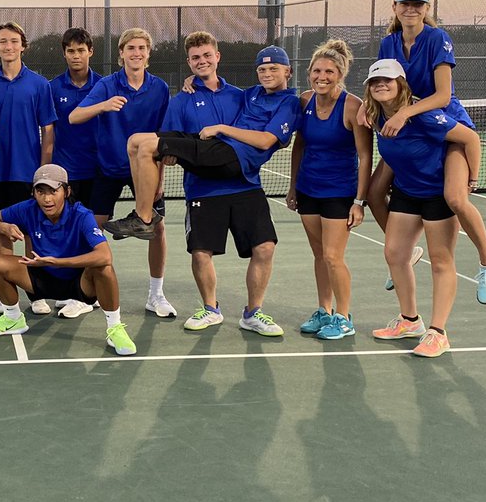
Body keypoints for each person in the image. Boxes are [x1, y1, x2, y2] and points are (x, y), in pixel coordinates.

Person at [116, 44, 301, 337]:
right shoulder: (248, 94)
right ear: (189, 63)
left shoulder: (279, 101)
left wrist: (222, 128)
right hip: (205, 181)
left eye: (274, 69)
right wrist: (193, 85)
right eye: (262, 69)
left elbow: (267, 140)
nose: (267, 74)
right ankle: (210, 308)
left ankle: (253, 313)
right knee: (139, 142)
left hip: (242, 177)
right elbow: (170, 148)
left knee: (264, 247)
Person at [364, 0, 486, 304]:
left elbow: (442, 96)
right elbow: (386, 79)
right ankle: (406, 252)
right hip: (411, 126)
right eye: (405, 3)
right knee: (373, 192)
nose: (411, 9)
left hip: (446, 126)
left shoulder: (438, 39)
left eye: (418, 4)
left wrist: (404, 114)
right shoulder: (389, 43)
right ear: (395, 8)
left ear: (426, 9)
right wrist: (369, 109)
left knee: (454, 197)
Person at [364, 59, 482, 357]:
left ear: (401, 84)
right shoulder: (376, 116)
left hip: (437, 195)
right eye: (375, 81)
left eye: (388, 80)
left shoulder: (425, 116)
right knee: (394, 253)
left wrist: (472, 179)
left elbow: (470, 138)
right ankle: (409, 321)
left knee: (441, 260)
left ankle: (438, 332)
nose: (381, 85)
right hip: (406, 191)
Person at [0, 164, 136, 356]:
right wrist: (4, 227)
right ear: (33, 193)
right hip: (40, 278)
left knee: (104, 268)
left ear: (66, 191)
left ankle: (115, 328)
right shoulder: (27, 209)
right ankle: (13, 318)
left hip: (78, 283)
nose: (47, 198)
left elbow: (104, 255)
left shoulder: (81, 215)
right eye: (40, 191)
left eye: (53, 191)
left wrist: (57, 262)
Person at [69, 27, 175, 318]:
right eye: (130, 48)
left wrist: (161, 177)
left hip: (146, 167)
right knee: (93, 228)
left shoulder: (160, 89)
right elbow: (74, 116)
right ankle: (86, 295)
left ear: (148, 54)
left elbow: (163, 136)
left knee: (158, 228)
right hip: (109, 167)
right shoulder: (107, 85)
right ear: (121, 55)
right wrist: (103, 105)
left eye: (141, 48)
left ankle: (156, 294)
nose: (136, 53)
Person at [285, 40, 374, 340]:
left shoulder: (353, 107)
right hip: (309, 189)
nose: (322, 76)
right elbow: (300, 145)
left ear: (341, 74)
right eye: (317, 71)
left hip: (339, 193)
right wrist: (293, 186)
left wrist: (359, 201)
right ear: (309, 72)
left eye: (330, 72)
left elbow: (365, 156)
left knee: (334, 256)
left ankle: (344, 316)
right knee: (320, 255)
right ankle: (324, 310)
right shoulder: (305, 100)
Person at [0, 21, 57, 314]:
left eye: (13, 41)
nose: (8, 46)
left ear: (23, 46)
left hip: (29, 172)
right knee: (4, 231)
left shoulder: (39, 84)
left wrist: (44, 170)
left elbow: (48, 130)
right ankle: (6, 293)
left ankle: (36, 294)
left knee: (32, 232)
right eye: (2, 42)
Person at [48, 27, 102, 319]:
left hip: (97, 172)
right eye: (71, 51)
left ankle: (86, 296)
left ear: (90, 51)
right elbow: (49, 132)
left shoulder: (104, 85)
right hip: (64, 174)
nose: (76, 55)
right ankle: (74, 290)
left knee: (89, 233)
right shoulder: (53, 87)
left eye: (81, 50)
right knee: (67, 233)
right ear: (65, 54)